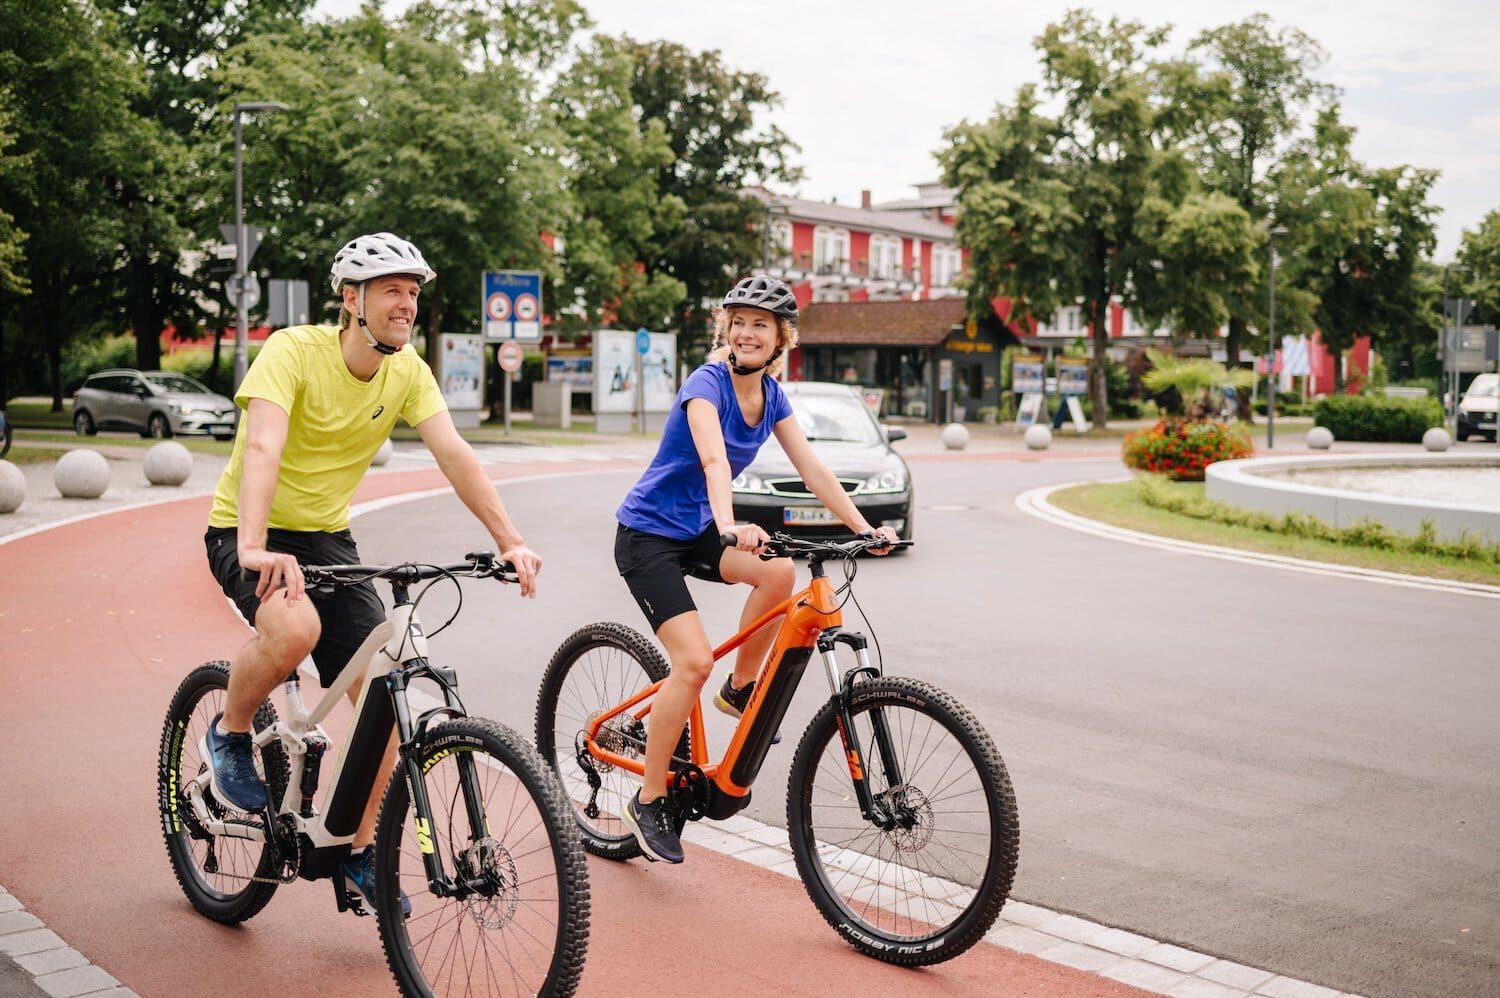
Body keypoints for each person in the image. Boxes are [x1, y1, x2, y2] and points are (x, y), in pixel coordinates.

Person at [201, 232, 542, 912]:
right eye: (393, 289)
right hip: (251, 530)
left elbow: (453, 453)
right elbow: (264, 445)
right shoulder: (292, 351)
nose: (407, 304)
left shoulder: (408, 370)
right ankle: (231, 730)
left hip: (329, 538)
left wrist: (509, 539)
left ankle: (355, 850)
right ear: (351, 299)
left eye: (414, 292)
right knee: (293, 631)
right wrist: (254, 545)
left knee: (387, 686)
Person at [613, 274, 900, 864]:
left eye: (760, 325)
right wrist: (729, 523)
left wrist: (862, 528)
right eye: (738, 322)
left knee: (778, 575)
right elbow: (715, 459)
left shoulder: (772, 397)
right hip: (647, 537)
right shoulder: (705, 385)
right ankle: (648, 796)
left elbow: (814, 469)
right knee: (689, 661)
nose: (746, 333)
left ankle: (739, 688)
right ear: (726, 328)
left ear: (781, 339)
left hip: (696, 530)